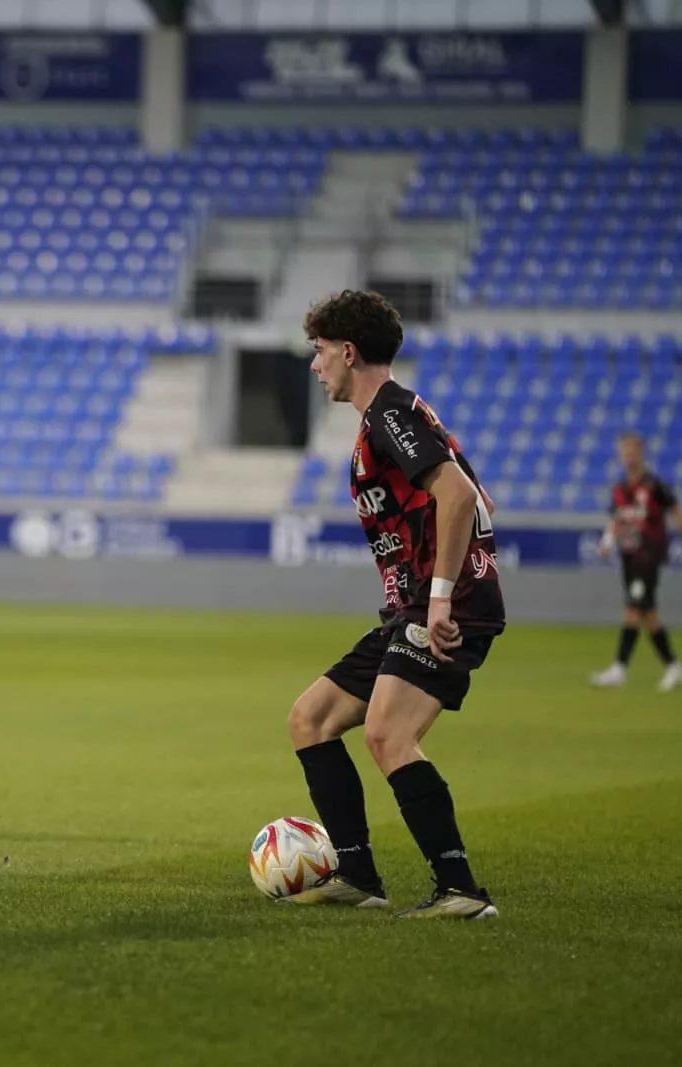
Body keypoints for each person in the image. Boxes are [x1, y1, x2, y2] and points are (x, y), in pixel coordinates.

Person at [284, 290, 506, 920]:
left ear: (348, 351)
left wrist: (440, 597)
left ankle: (462, 891)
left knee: (389, 734)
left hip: (444, 608)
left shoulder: (390, 416)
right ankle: (358, 876)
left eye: (320, 350)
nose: (315, 364)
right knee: (312, 720)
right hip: (414, 606)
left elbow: (460, 497)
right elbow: (479, 500)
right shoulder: (394, 414)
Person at [590, 432, 682, 691]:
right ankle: (672, 666)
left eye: (632, 451)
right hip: (629, 555)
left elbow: (680, 516)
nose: (628, 456)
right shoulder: (620, 488)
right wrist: (607, 541)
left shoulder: (654, 486)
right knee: (648, 614)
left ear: (641, 454)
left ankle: (620, 668)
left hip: (648, 555)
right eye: (624, 451)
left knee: (633, 609)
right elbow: (617, 518)